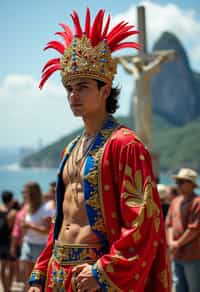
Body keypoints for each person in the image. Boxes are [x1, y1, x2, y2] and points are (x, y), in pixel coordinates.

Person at [28, 8, 170, 292]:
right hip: (58, 277)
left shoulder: (125, 145)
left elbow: (143, 223)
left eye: (82, 87)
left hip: (95, 276)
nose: (73, 95)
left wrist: (104, 271)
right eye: (69, 88)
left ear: (105, 90)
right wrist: (39, 273)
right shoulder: (70, 149)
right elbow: (61, 220)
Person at [166, 168, 200, 292]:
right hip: (177, 254)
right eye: (178, 182)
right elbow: (169, 224)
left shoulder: (197, 203)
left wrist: (176, 243)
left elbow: (195, 229)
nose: (178, 185)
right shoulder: (175, 201)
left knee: (194, 288)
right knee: (179, 287)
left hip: (193, 255)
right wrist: (171, 242)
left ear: (191, 184)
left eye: (182, 182)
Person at [20, 182, 52, 291]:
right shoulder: (27, 207)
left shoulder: (45, 209)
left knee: (37, 279)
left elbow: (48, 231)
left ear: (32, 193)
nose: (23, 194)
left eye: (26, 192)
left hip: (40, 246)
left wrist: (30, 226)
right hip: (28, 243)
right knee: (27, 277)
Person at [0, 191, 20, 292]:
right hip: (10, 242)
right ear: (11, 199)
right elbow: (12, 227)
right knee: (11, 268)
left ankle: (5, 289)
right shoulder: (13, 212)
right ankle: (9, 289)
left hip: (1, 242)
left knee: (2, 268)